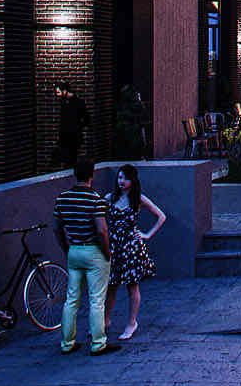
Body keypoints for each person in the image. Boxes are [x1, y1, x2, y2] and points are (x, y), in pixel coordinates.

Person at [54, 154, 117, 356]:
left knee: (72, 298)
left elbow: (57, 228)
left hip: (74, 250)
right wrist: (107, 253)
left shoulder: (62, 198)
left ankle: (67, 342)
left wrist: (67, 248)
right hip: (94, 250)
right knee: (97, 298)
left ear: (74, 174)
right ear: (92, 175)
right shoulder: (96, 200)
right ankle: (98, 343)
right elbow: (102, 230)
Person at [105, 162, 165, 341]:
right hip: (114, 246)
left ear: (133, 180)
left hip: (131, 247)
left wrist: (147, 235)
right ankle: (105, 320)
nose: (121, 181)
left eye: (125, 178)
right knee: (111, 286)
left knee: (132, 286)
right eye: (120, 177)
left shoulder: (138, 199)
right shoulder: (110, 198)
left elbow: (161, 216)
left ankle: (131, 323)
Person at [55, 83, 91, 166]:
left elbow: (87, 119)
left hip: (73, 137)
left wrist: (77, 127)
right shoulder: (64, 103)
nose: (58, 95)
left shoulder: (78, 103)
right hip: (65, 138)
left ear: (64, 91)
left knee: (71, 160)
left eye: (58, 92)